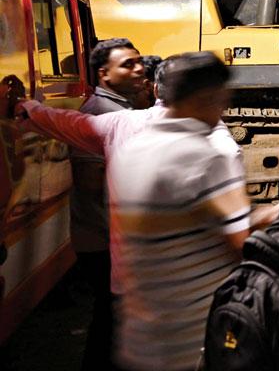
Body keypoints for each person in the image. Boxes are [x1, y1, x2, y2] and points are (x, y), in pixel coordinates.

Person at [107, 52, 250, 371]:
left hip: (142, 338)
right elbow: (242, 242)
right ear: (210, 96)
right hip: (195, 340)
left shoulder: (133, 149)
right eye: (223, 98)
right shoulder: (207, 157)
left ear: (159, 92)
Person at [76, 38, 145, 370]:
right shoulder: (99, 114)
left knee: (115, 322)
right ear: (104, 74)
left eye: (138, 61)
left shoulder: (123, 109)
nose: (138, 69)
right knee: (110, 323)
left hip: (112, 239)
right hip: (105, 243)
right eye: (127, 64)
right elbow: (90, 188)